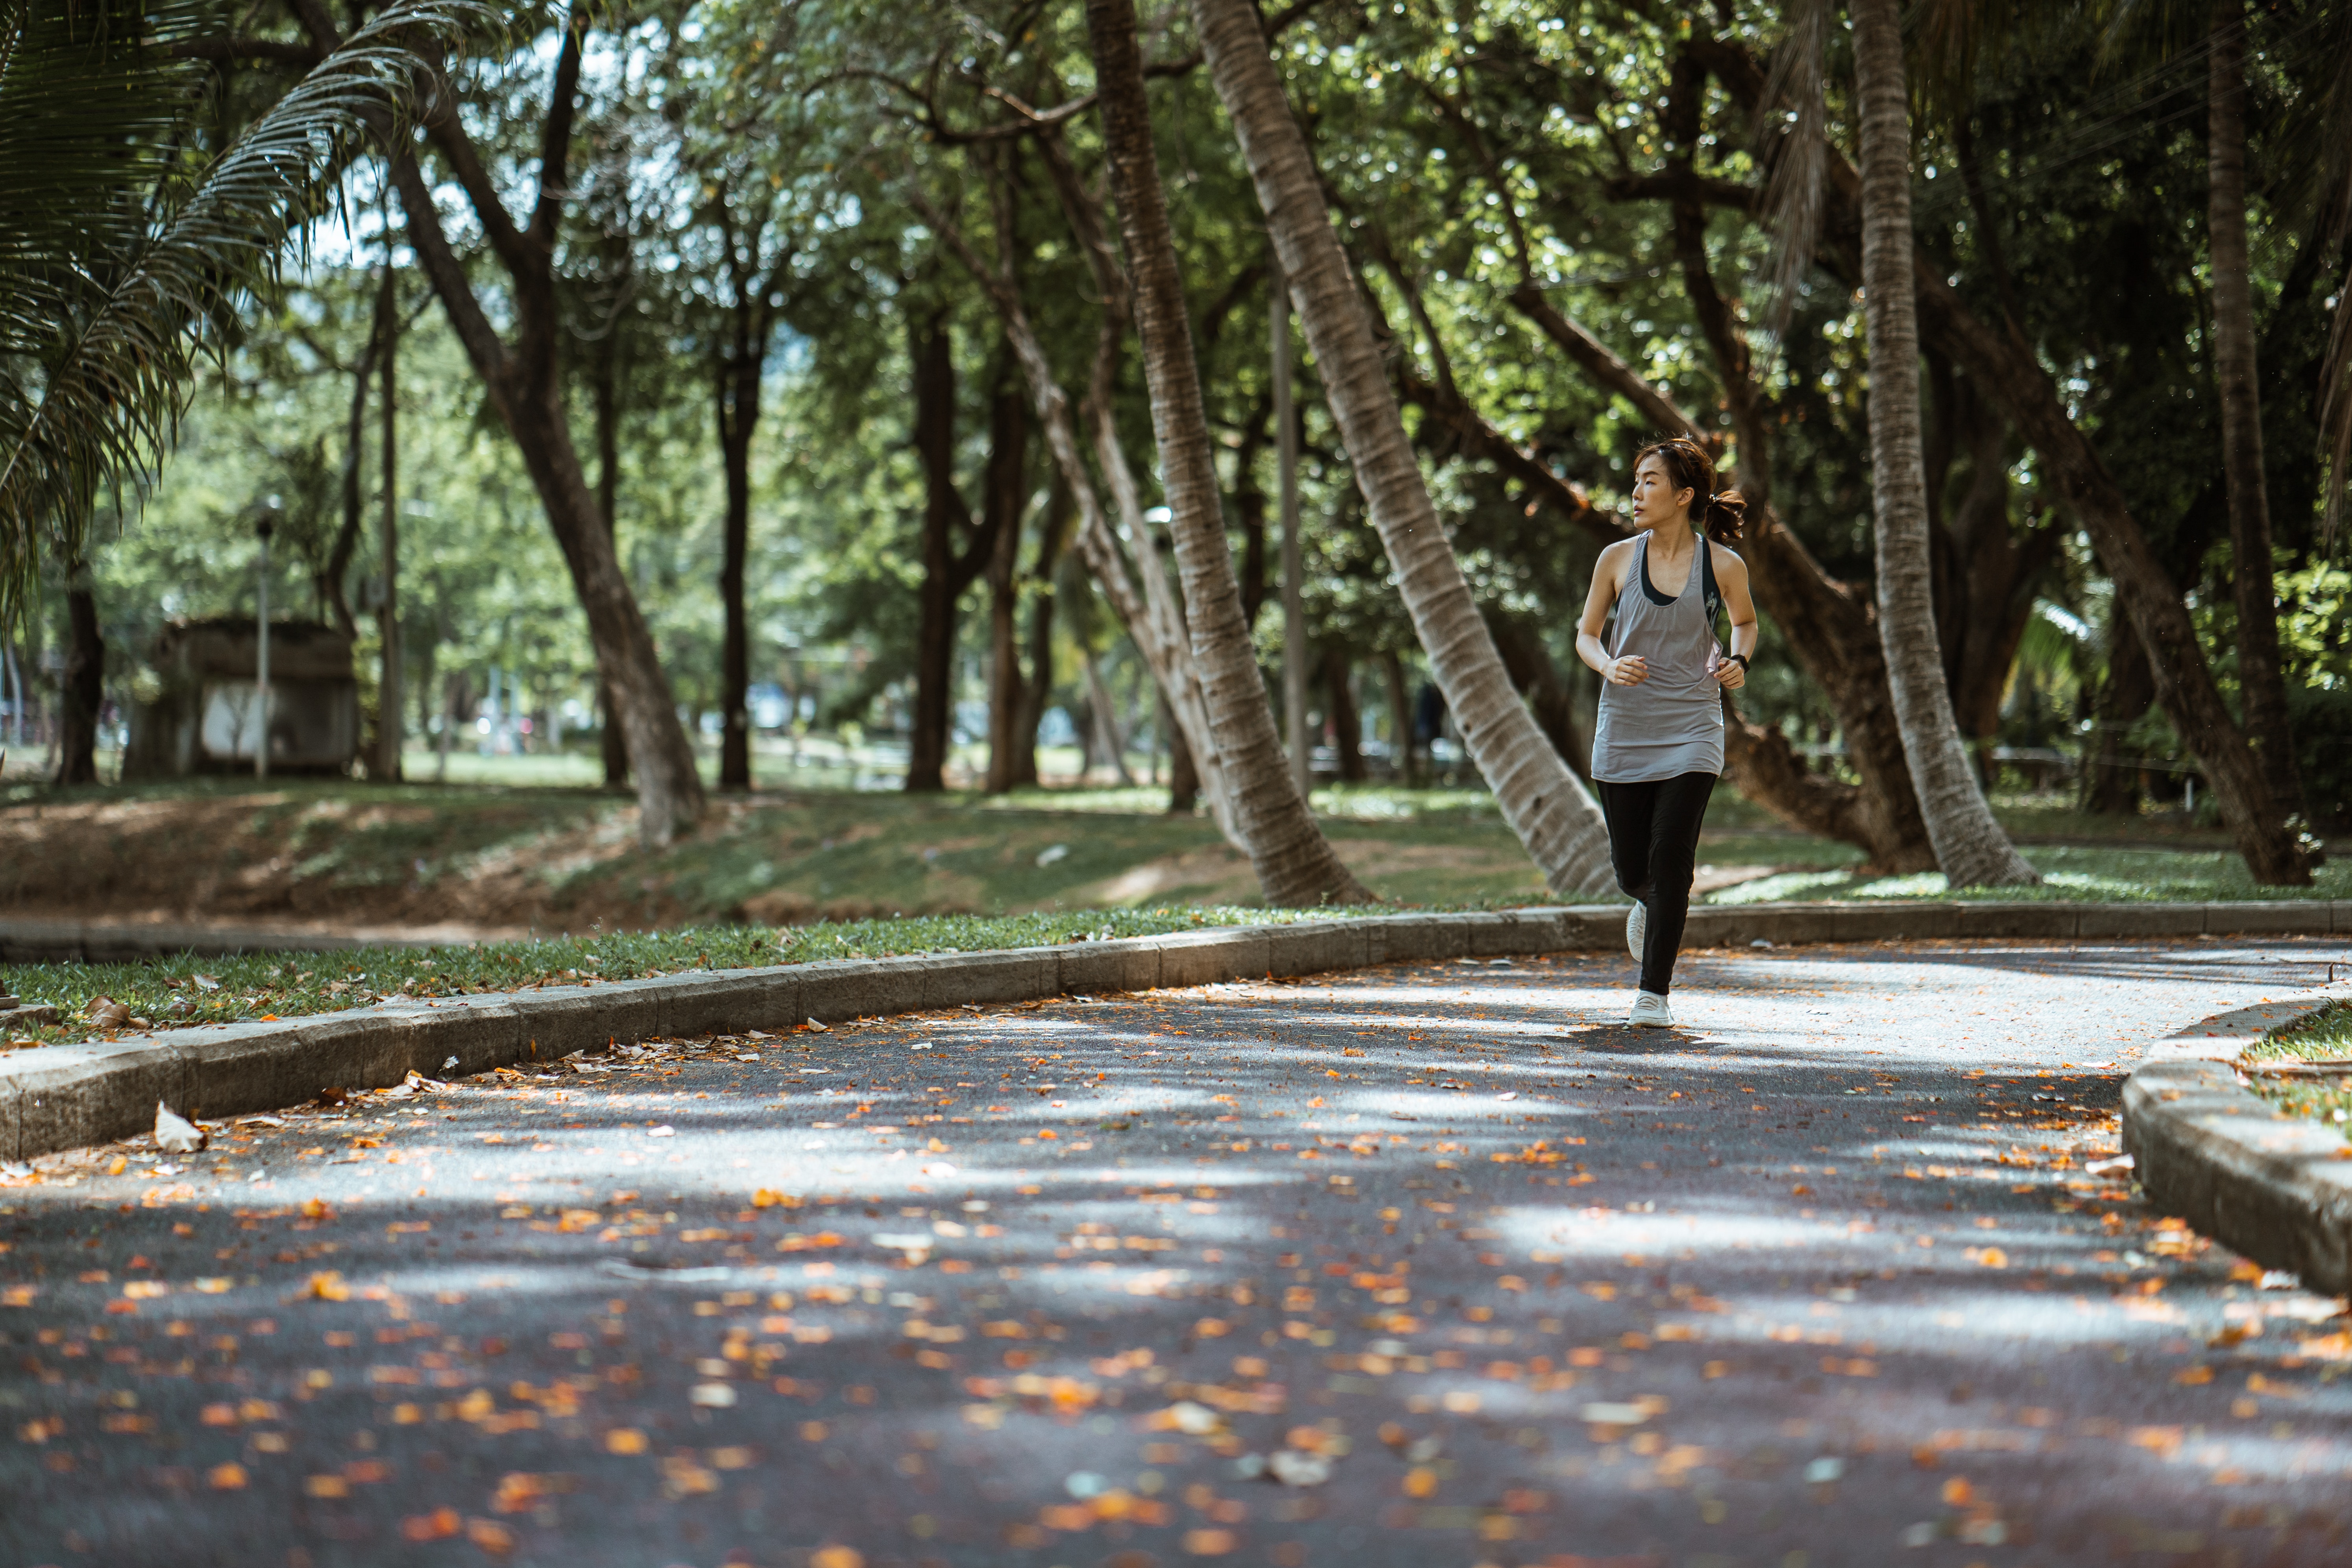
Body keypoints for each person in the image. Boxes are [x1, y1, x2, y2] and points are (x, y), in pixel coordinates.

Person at [1574, 438, 1759, 1028]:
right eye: (1635, 481)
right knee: (1634, 870)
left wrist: (1738, 660)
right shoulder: (1615, 559)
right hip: (1624, 728)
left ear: (1683, 496)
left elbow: (1745, 623)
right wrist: (1607, 664)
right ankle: (1646, 900)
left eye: (1649, 482)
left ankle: (1652, 994)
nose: (1635, 492)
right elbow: (1585, 635)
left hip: (1692, 728)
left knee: (1671, 858)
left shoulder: (1723, 565)